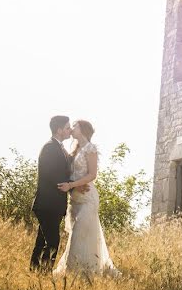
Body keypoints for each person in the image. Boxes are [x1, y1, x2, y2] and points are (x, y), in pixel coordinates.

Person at [53, 119, 118, 276]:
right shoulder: (74, 150)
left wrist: (71, 185)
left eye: (74, 126)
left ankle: (81, 273)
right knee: (79, 235)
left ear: (82, 129)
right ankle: (76, 271)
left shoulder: (90, 148)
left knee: (80, 235)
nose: (71, 129)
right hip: (75, 199)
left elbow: (92, 174)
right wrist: (71, 186)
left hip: (87, 197)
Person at [30, 115, 87, 271]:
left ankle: (34, 272)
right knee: (53, 242)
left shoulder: (60, 148)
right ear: (59, 130)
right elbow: (53, 175)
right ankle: (44, 274)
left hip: (53, 205)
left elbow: (67, 170)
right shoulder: (49, 147)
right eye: (67, 127)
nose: (69, 130)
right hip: (47, 204)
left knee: (42, 241)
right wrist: (73, 186)